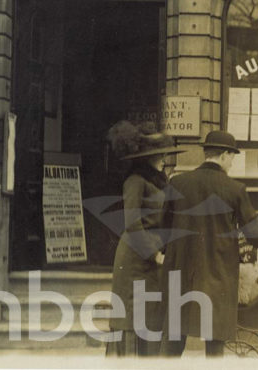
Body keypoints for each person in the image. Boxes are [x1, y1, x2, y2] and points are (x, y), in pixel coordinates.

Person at [160, 130, 258, 358]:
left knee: (174, 340)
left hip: (181, 272)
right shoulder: (235, 189)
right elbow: (254, 231)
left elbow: (162, 227)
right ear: (224, 155)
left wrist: (166, 252)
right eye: (232, 156)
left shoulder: (178, 183)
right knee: (215, 342)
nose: (232, 162)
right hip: (218, 274)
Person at [105, 128, 185, 357]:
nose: (164, 160)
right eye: (160, 155)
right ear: (146, 158)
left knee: (150, 317)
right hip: (134, 259)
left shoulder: (160, 182)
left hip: (152, 261)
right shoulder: (135, 181)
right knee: (132, 317)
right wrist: (154, 254)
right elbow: (132, 223)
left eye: (165, 155)